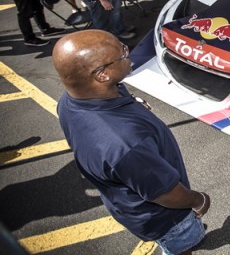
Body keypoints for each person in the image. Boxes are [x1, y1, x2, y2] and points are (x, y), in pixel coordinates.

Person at [53, 29, 210, 254]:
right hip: (169, 220)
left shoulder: (71, 101)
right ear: (102, 75)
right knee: (182, 246)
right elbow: (167, 195)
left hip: (130, 205)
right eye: (123, 53)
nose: (129, 53)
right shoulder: (124, 144)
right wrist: (199, 199)